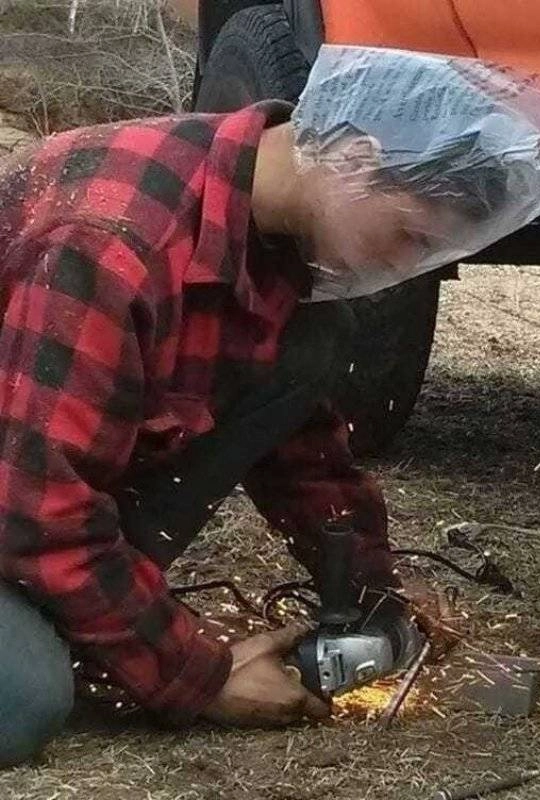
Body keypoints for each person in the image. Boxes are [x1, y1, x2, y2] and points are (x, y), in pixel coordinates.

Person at [0, 92, 459, 768]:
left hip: (25, 477)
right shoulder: (111, 242)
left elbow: (302, 452)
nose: (405, 264)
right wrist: (200, 677)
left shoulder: (263, 221)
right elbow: (35, 512)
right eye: (411, 236)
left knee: (313, 340)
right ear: (357, 162)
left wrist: (373, 593)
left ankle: (74, 607)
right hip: (19, 497)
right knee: (21, 700)